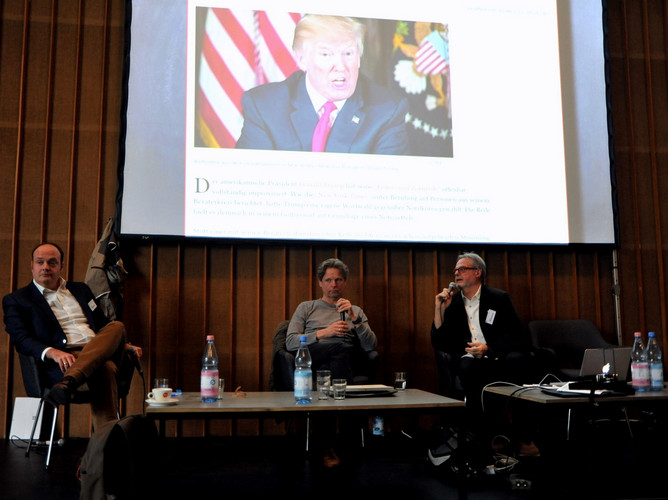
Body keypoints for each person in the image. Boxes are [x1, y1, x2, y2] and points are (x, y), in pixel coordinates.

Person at [3, 242, 143, 429]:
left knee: (116, 326)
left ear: (61, 267)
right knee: (105, 368)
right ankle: (105, 446)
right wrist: (53, 352)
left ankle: (69, 381)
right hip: (64, 357)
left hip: (95, 350)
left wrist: (123, 345)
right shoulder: (18, 300)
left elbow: (102, 325)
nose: (46, 267)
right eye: (40, 262)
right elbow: (21, 339)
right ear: (32, 266)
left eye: (52, 263)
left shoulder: (81, 290)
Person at [235, 14, 411, 154]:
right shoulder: (264, 106)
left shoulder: (387, 109)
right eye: (326, 54)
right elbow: (253, 180)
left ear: (358, 58)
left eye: (348, 53)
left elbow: (386, 188)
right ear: (302, 59)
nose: (341, 66)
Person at [286, 257, 377, 383]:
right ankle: (344, 394)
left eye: (338, 280)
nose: (333, 284)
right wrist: (325, 332)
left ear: (345, 282)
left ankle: (335, 392)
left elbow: (370, 346)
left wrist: (356, 319)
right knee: (338, 348)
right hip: (315, 353)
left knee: (335, 357)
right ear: (320, 282)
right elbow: (290, 342)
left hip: (347, 356)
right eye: (328, 280)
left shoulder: (355, 310)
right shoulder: (306, 307)